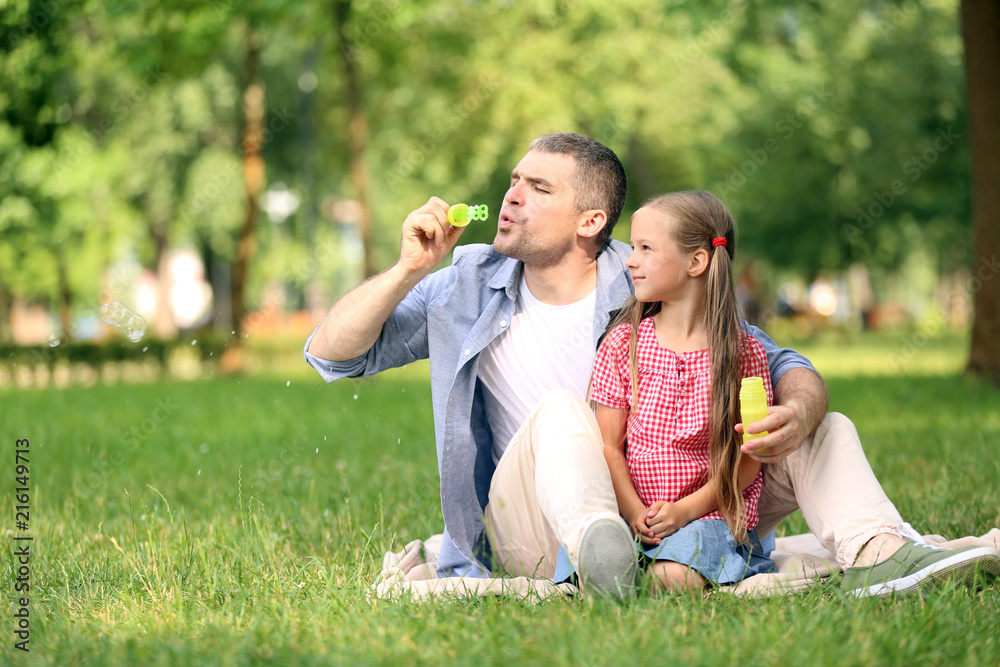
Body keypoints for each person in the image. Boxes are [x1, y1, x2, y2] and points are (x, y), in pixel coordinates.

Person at [305, 132, 1000, 598]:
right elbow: (332, 353)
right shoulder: (464, 282)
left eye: (537, 187)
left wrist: (797, 412)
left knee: (822, 423)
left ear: (590, 219)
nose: (511, 196)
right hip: (535, 527)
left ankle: (885, 556)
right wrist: (406, 268)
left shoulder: (643, 274)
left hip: (668, 509)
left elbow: (780, 358)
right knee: (561, 411)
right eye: (513, 181)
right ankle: (600, 560)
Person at [591, 191, 777, 591]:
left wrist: (683, 511)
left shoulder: (744, 353)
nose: (630, 259)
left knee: (671, 579)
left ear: (696, 261)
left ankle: (651, 574)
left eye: (645, 248)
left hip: (706, 517)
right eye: (632, 247)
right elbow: (609, 446)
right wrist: (635, 511)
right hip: (629, 513)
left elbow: (749, 461)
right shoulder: (624, 343)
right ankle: (618, 568)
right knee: (603, 562)